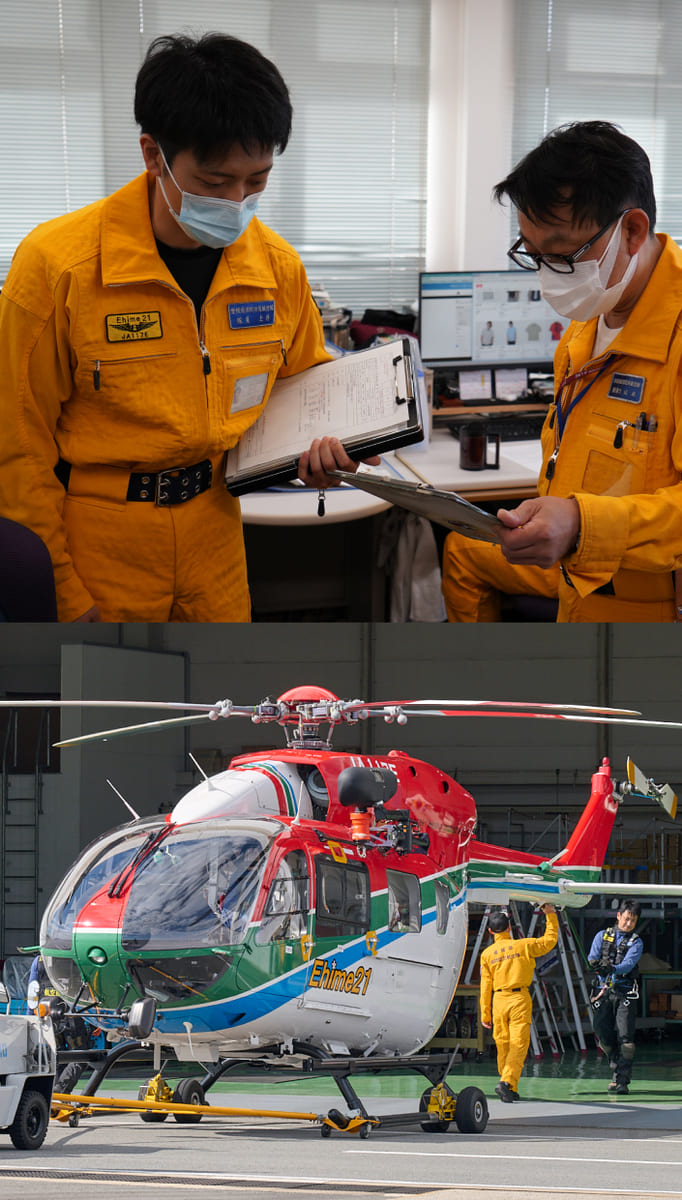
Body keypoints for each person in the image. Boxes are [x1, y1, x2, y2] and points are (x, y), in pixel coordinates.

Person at [0, 32, 363, 622]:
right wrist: (64, 595)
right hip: (99, 539)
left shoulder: (276, 268)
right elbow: (16, 451)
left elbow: (308, 388)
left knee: (225, 704)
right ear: (153, 154)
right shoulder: (58, 266)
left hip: (215, 530)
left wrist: (336, 442)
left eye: (258, 180)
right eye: (215, 182)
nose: (238, 201)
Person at [442, 120, 682, 622]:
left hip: (649, 606)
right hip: (577, 578)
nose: (549, 275)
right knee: (463, 550)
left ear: (632, 231)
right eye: (532, 254)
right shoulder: (589, 322)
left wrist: (580, 522)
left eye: (561, 255)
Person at [479, 904, 558, 1102]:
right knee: (518, 1044)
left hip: (498, 1001)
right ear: (509, 928)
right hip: (519, 999)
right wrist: (550, 915)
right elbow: (549, 941)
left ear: (490, 931)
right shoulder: (523, 946)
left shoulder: (487, 955)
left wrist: (485, 1014)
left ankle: (509, 1086)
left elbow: (485, 986)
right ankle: (506, 1082)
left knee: (503, 1044)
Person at [587, 899, 643, 1095]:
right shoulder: (601, 936)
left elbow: (628, 965)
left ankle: (622, 1080)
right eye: (626, 919)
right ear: (619, 916)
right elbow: (592, 957)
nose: (628, 924)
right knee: (602, 1033)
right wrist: (598, 965)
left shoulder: (636, 942)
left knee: (625, 1037)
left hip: (624, 992)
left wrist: (613, 969)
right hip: (603, 992)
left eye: (633, 921)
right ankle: (615, 1064)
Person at [27, 955, 90, 1093]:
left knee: (57, 1056)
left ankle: (54, 1096)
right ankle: (61, 1090)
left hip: (48, 1017)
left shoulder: (39, 961)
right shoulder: (77, 957)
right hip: (71, 1015)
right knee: (82, 1056)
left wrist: (30, 1018)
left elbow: (32, 991)